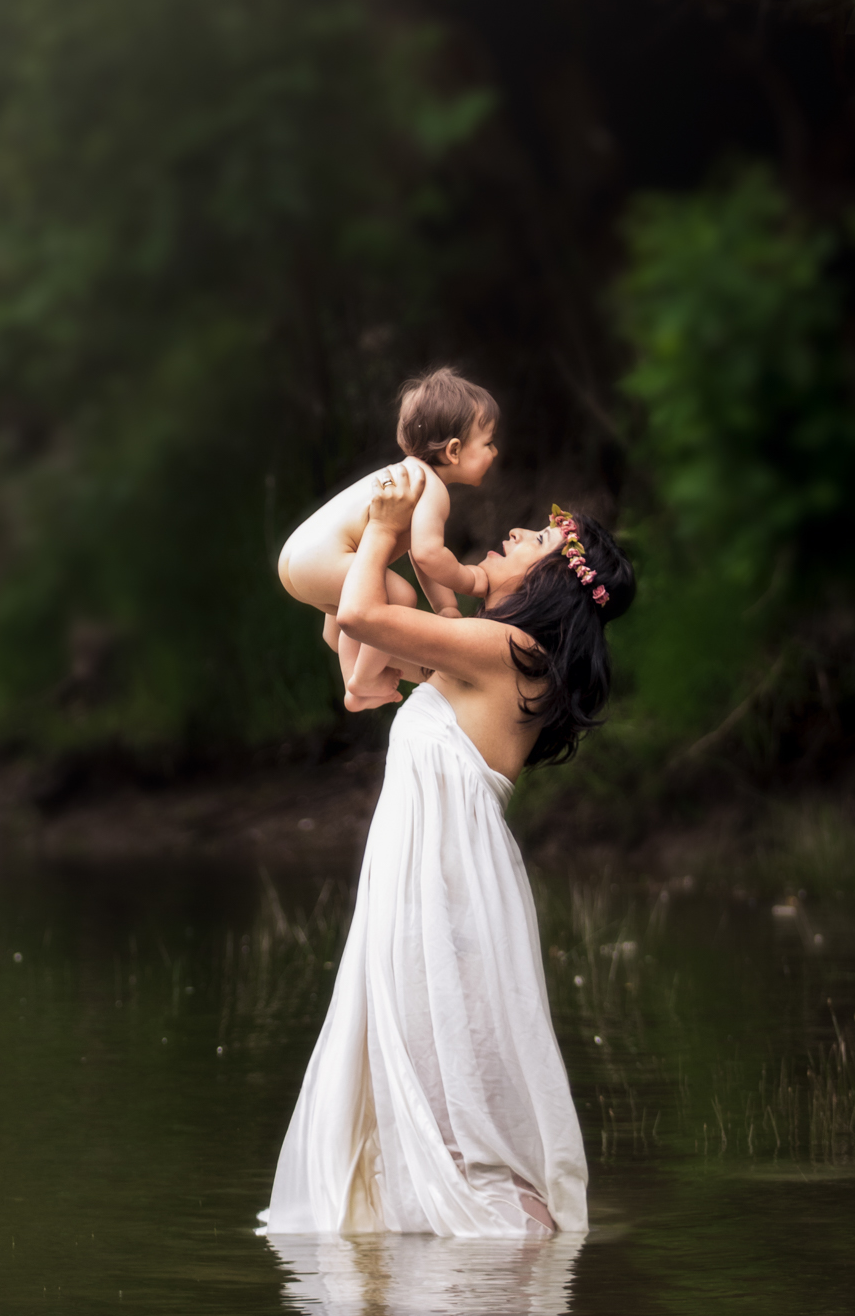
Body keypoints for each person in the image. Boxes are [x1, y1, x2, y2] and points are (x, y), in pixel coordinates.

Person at [261, 468, 636, 1241]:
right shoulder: (489, 650)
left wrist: (383, 534)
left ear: (551, 580)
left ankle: (506, 1243)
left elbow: (363, 606)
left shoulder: (507, 646)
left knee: (450, 1080)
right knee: (436, 1074)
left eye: (531, 539)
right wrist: (369, 590)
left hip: (445, 885)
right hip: (431, 880)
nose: (511, 535)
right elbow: (357, 651)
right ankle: (451, 1245)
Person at [276, 369, 499, 713]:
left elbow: (417, 553)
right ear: (454, 451)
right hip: (323, 558)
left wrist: (446, 607)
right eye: (488, 443)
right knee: (398, 596)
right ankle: (362, 681)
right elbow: (428, 554)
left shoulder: (407, 475)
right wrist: (469, 580)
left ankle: (357, 686)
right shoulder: (432, 488)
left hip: (298, 557)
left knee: (360, 613)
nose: (494, 452)